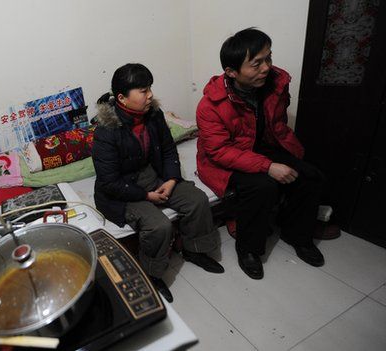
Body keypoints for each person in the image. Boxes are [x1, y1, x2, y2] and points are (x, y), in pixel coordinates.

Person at [196, 28, 326, 280]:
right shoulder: (211, 105)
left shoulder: (275, 83)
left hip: (261, 145)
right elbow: (219, 151)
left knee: (310, 176)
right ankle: (249, 250)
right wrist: (267, 166)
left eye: (268, 58)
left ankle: (297, 235)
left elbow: (275, 123)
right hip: (224, 159)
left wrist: (284, 154)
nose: (266, 68)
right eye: (256, 64)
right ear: (232, 72)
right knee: (262, 187)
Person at [92, 63, 223, 302]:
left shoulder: (154, 115)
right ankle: (151, 275)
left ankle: (195, 250)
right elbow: (109, 182)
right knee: (158, 225)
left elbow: (168, 150)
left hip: (152, 174)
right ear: (121, 98)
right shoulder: (106, 131)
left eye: (149, 87)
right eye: (143, 90)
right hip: (122, 189)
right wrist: (146, 196)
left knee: (197, 200)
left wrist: (172, 179)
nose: (150, 94)